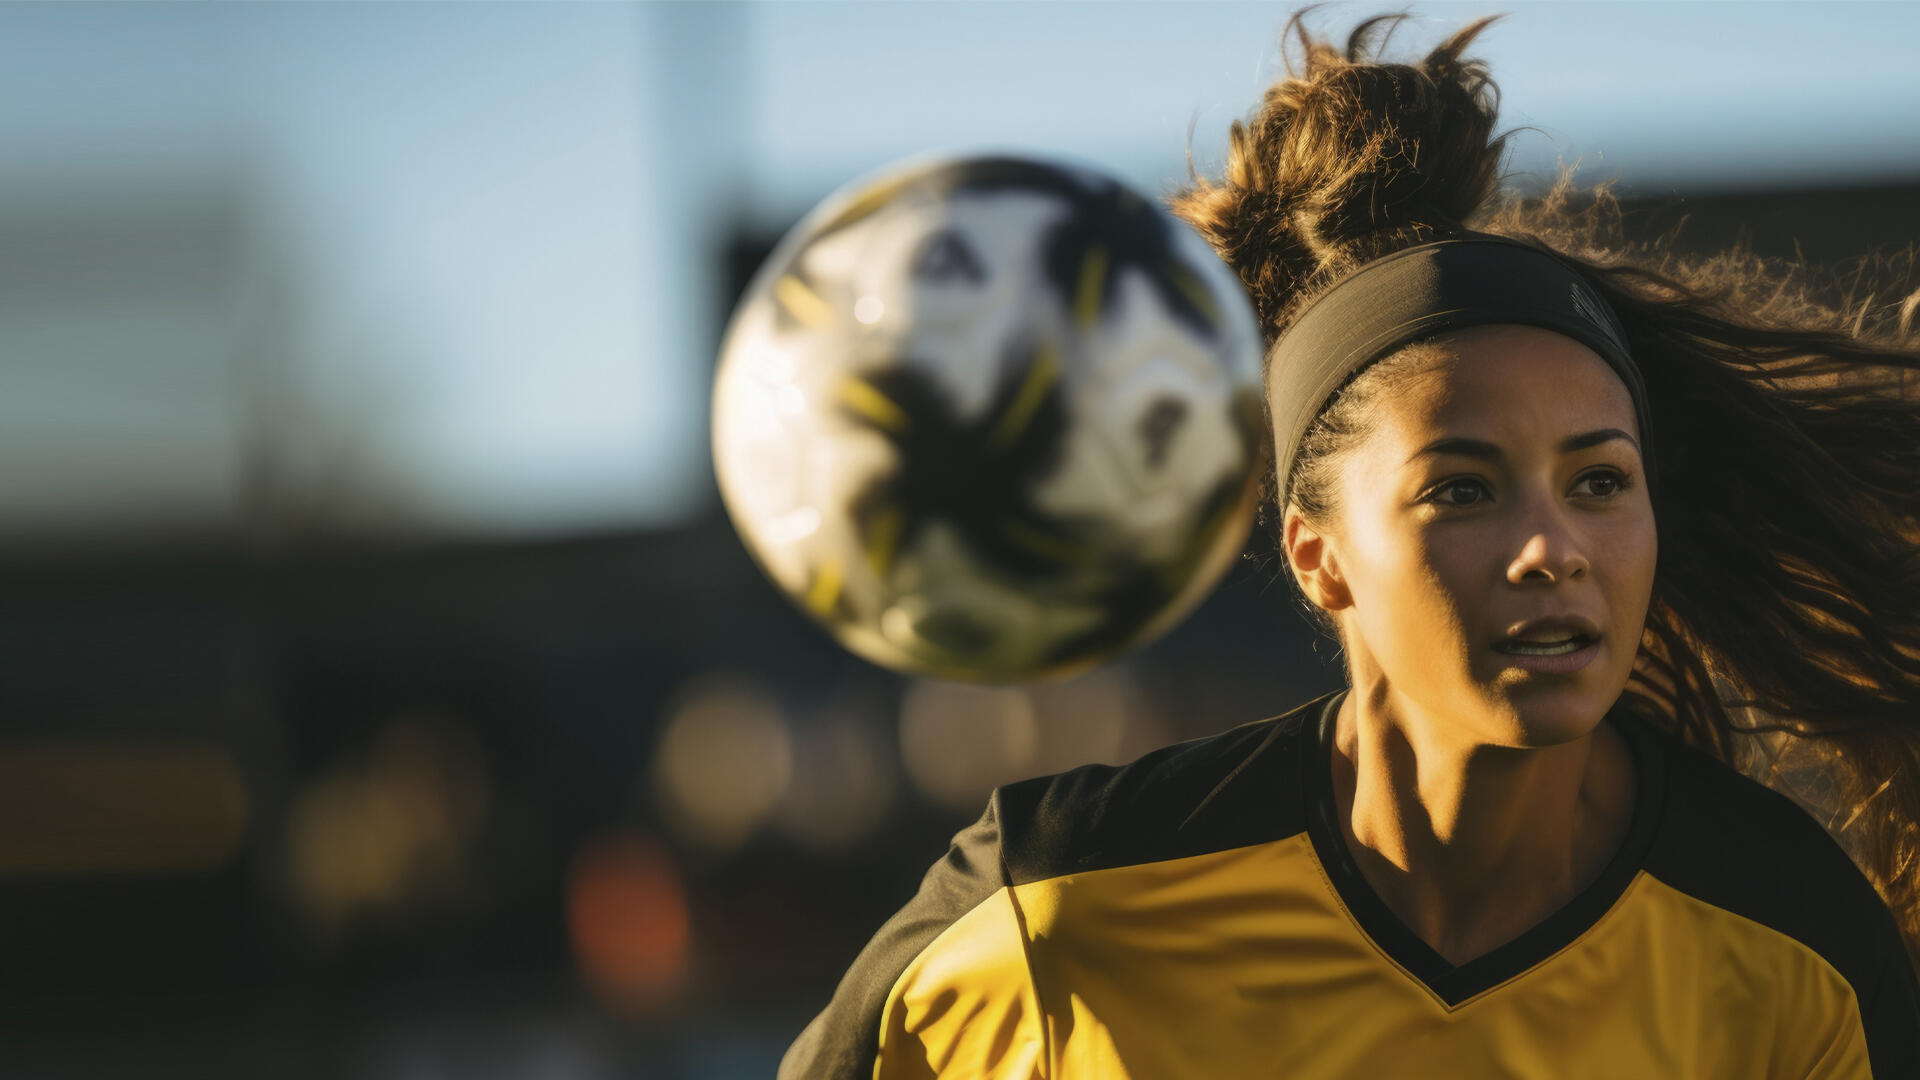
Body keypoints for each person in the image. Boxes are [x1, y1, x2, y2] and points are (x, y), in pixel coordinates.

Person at [779, 10, 1920, 1077]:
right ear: (1317, 554)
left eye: (1601, 482)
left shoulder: (1790, 947)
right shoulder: (1057, 903)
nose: (1552, 547)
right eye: (1463, 490)